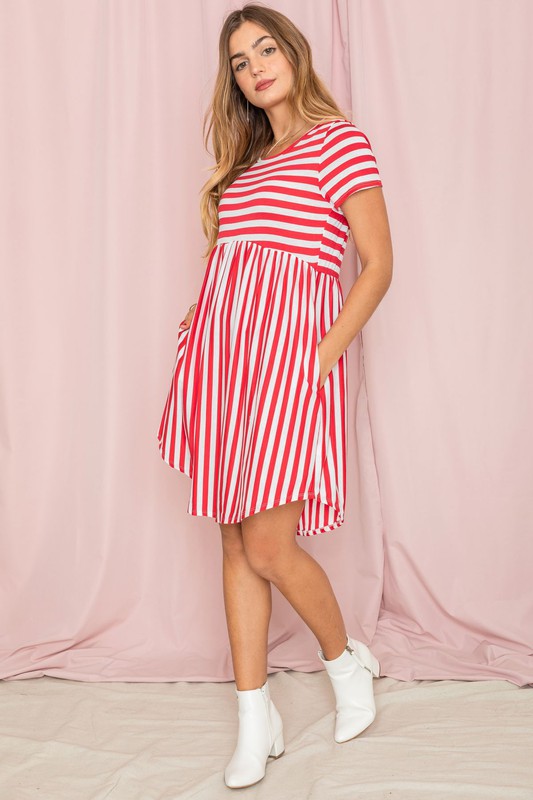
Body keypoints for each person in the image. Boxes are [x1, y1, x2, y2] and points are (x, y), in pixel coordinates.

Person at [157, 3, 393, 790]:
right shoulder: (246, 167)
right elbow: (238, 269)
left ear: (293, 53)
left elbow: (376, 265)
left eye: (264, 49)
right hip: (225, 365)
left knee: (268, 544)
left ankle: (343, 663)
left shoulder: (339, 144)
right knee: (230, 542)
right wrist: (200, 326)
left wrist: (321, 354)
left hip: (294, 366)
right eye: (237, 61)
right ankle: (255, 719)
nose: (254, 66)